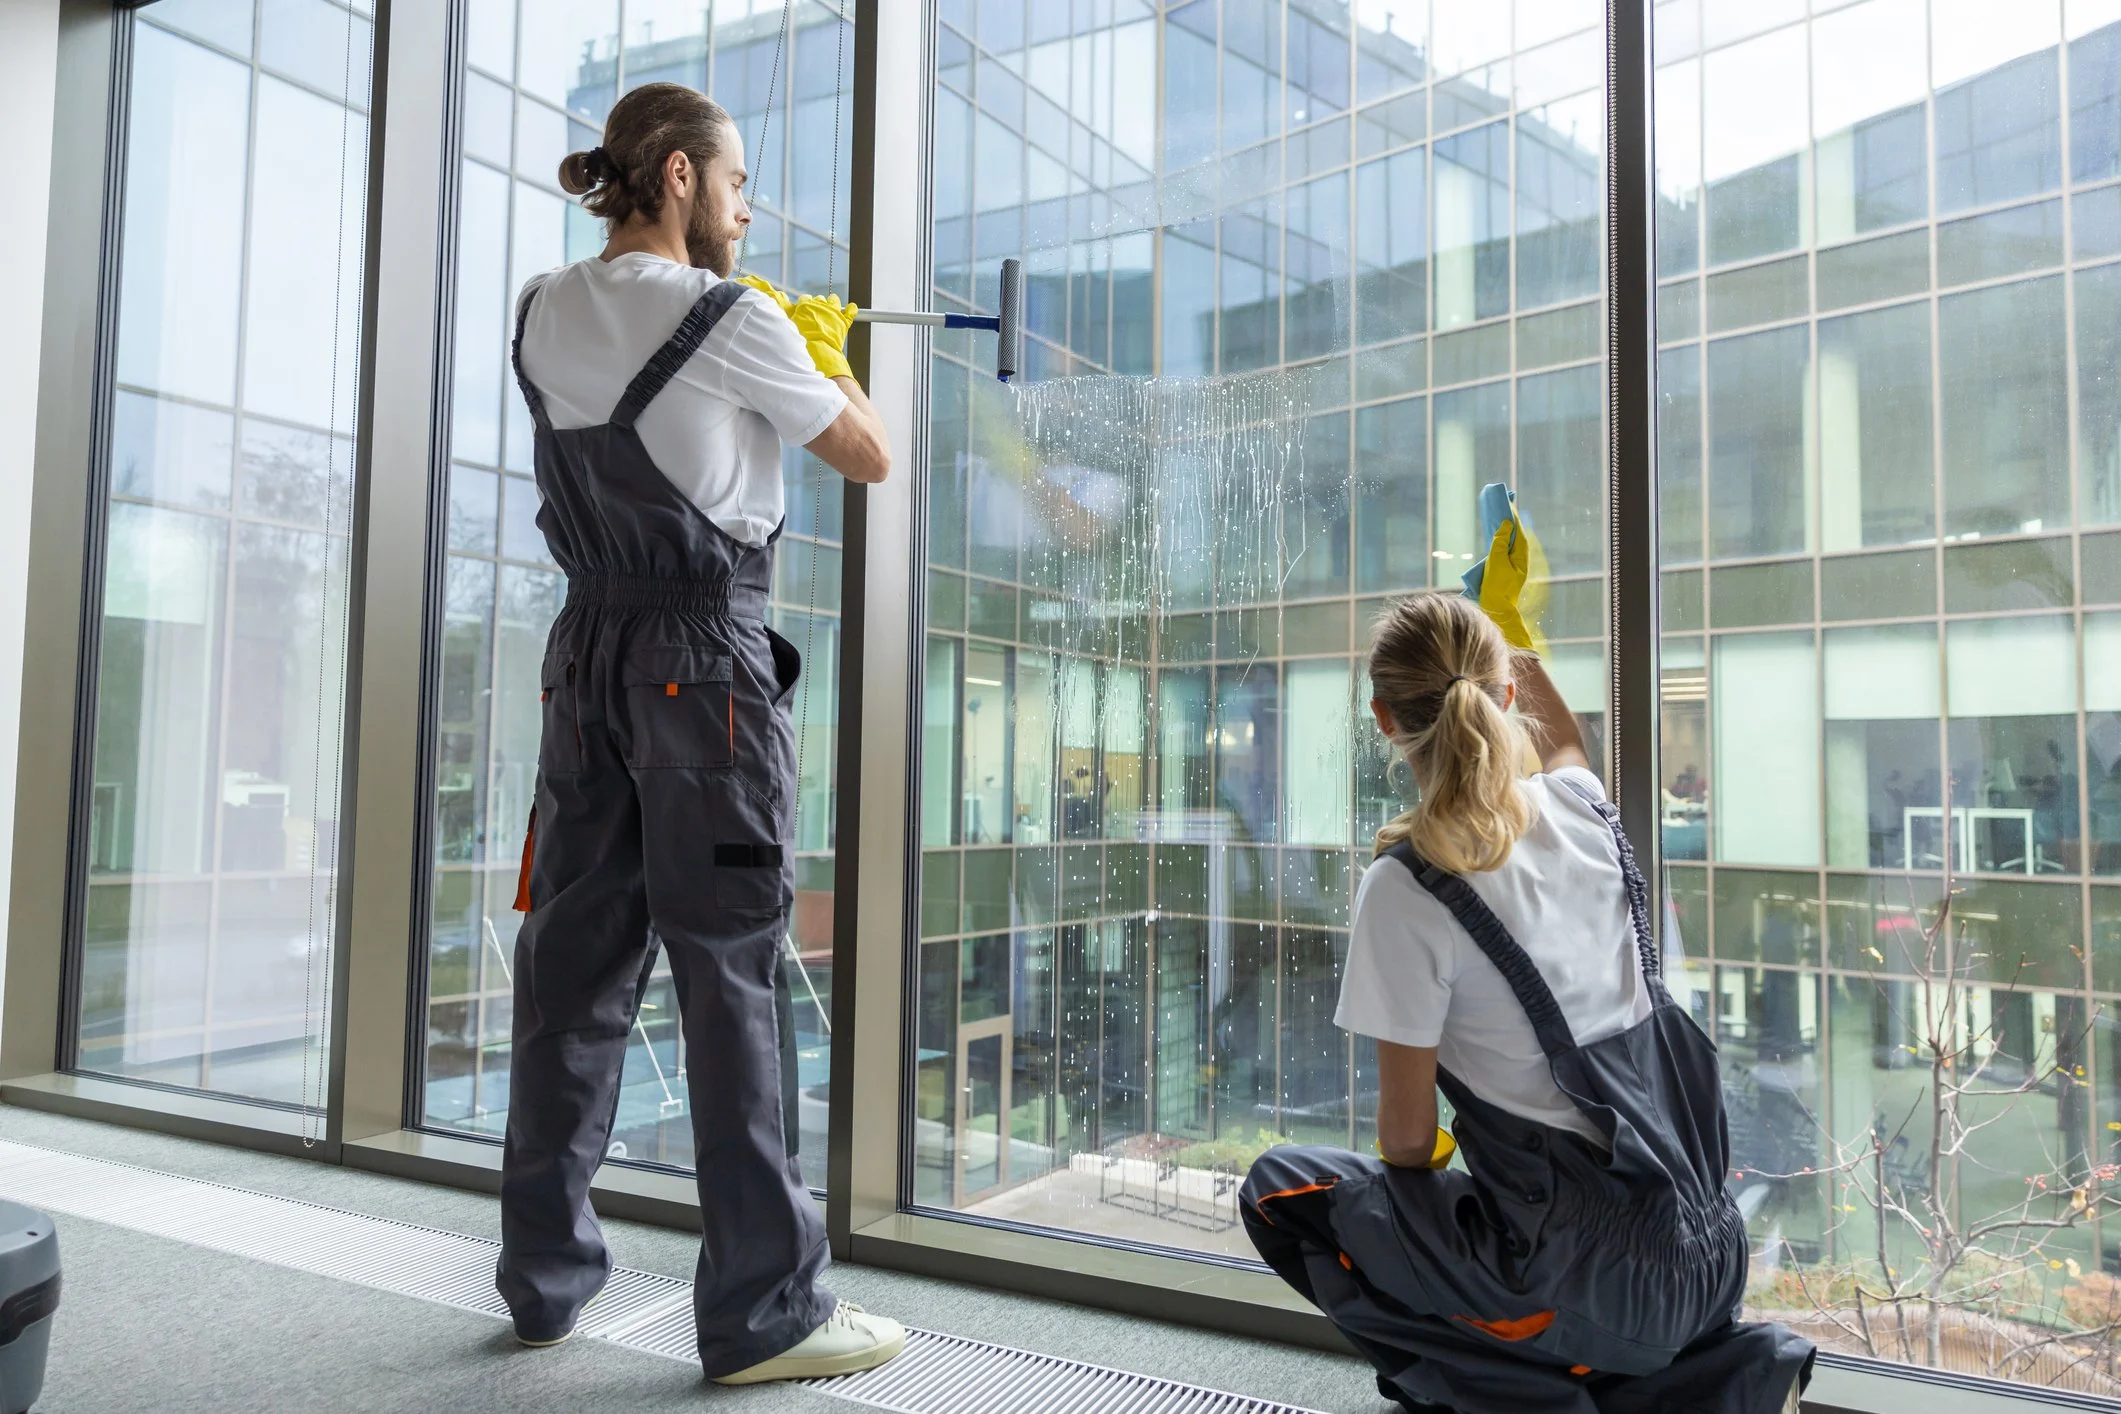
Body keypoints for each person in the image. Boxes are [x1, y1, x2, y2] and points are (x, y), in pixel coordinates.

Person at [498, 81, 902, 1385]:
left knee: (571, 966)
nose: (746, 208)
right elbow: (868, 454)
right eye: (736, 184)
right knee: (728, 976)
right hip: (701, 669)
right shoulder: (729, 317)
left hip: (585, 664)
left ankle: (545, 1278)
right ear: (676, 177)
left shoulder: (542, 309)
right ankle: (763, 1313)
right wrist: (819, 343)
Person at [1239, 590, 1813, 1414]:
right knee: (1558, 1280)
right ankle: (1714, 1378)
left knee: (1279, 1190)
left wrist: (1452, 1191)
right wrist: (1507, 629)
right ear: (1506, 692)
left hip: (1587, 1275)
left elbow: (1404, 1142)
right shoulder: (1585, 809)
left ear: (1381, 718)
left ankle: (1539, 1401)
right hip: (1713, 1249)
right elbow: (1569, 742)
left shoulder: (1405, 889)